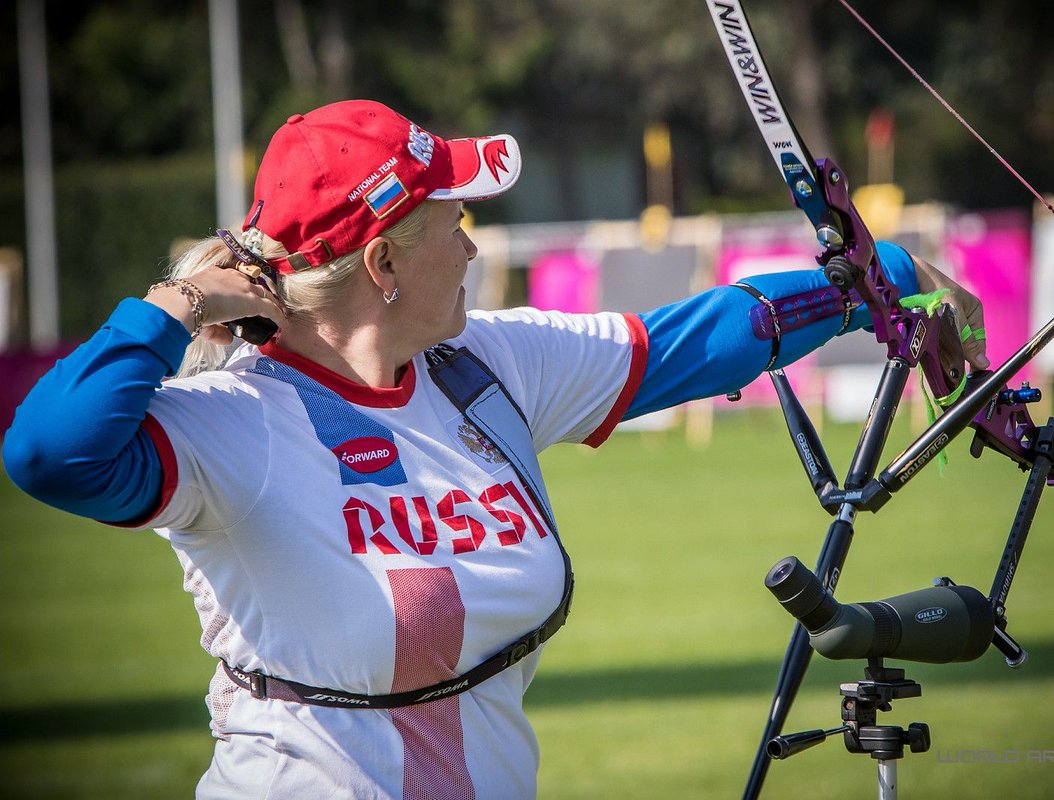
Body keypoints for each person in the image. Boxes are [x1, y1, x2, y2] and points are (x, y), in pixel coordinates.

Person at [2, 99, 987, 799]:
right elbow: (50, 451)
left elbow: (702, 337)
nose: (474, 246)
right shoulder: (233, 422)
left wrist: (891, 274)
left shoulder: (486, 360)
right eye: (455, 224)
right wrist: (176, 305)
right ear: (383, 262)